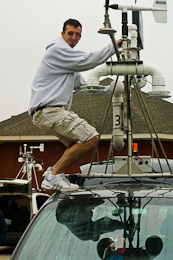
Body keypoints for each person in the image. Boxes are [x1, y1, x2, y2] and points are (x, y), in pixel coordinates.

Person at [28, 18, 122, 192]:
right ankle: (54, 175)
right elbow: (89, 60)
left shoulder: (67, 61)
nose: (73, 37)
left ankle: (53, 172)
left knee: (78, 144)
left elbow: (84, 86)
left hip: (46, 114)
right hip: (49, 111)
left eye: (77, 35)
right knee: (91, 138)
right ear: (62, 33)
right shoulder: (57, 51)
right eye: (70, 33)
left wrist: (111, 89)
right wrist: (115, 46)